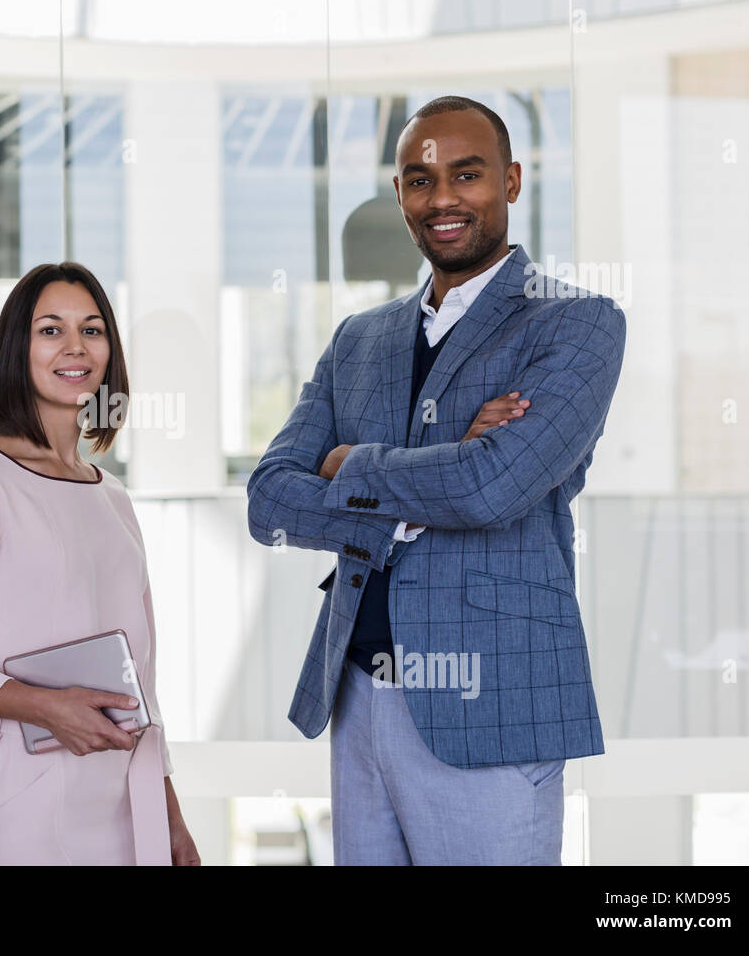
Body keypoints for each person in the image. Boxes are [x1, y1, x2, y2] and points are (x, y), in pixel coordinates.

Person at [247, 96, 626, 864]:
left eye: (467, 174)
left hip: (491, 704)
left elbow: (493, 488)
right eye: (420, 179)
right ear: (399, 196)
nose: (442, 197)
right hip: (356, 693)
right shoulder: (359, 339)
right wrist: (442, 467)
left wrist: (347, 461)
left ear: (512, 181)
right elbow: (267, 499)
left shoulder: (576, 323)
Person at [0, 261, 199, 866]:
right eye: (49, 330)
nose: (74, 347)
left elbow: (142, 681)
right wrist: (44, 707)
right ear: (18, 347)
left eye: (92, 330)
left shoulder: (112, 498)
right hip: (21, 802)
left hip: (123, 803)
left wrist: (169, 820)